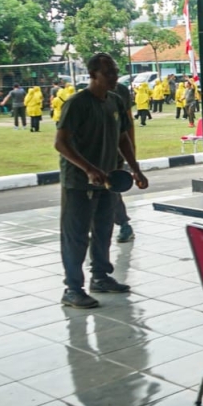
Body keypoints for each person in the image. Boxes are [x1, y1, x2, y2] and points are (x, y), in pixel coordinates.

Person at [54, 53, 148, 309]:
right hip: (79, 182)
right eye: (108, 73)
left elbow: (122, 139)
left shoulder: (115, 101)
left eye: (115, 72)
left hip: (109, 179)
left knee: (104, 230)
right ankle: (72, 289)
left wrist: (135, 169)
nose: (114, 77)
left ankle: (100, 277)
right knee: (76, 236)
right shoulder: (77, 103)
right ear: (93, 74)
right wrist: (88, 168)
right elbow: (61, 143)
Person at [111, 79, 136, 243]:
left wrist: (132, 153)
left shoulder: (120, 91)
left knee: (111, 191)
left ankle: (124, 224)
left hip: (115, 152)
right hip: (93, 154)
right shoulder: (84, 98)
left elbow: (128, 123)